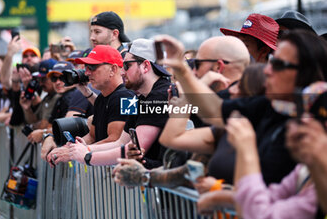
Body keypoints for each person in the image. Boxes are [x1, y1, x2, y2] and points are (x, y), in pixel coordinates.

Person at [155, 29, 327, 186]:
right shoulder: (268, 105)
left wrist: (220, 192)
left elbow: (285, 199)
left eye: (279, 64)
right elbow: (212, 111)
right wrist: (181, 69)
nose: (268, 70)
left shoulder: (314, 126)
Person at [113, 64, 266, 189]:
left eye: (127, 65)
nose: (123, 71)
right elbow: (179, 163)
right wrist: (144, 170)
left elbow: (182, 161)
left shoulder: (262, 130)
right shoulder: (225, 127)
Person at [55, 39, 171, 168]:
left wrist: (87, 155)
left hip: (164, 182)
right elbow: (121, 142)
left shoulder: (159, 96)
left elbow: (133, 149)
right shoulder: (141, 98)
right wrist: (81, 150)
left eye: (127, 65)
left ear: (145, 66)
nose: (122, 72)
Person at [43, 45, 134, 162]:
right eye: (86, 67)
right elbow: (92, 136)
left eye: (92, 67)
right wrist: (66, 149)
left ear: (113, 69)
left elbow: (115, 141)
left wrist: (75, 152)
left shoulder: (124, 97)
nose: (86, 73)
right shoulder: (102, 97)